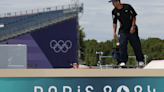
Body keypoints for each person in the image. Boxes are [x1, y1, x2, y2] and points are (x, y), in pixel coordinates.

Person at [109, 0, 144, 66]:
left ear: (118, 1)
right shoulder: (114, 11)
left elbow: (134, 16)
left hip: (132, 29)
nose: (112, 4)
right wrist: (114, 32)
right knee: (122, 45)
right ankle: (123, 61)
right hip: (122, 30)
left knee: (136, 45)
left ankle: (140, 60)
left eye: (113, 2)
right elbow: (114, 22)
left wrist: (133, 26)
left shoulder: (127, 7)